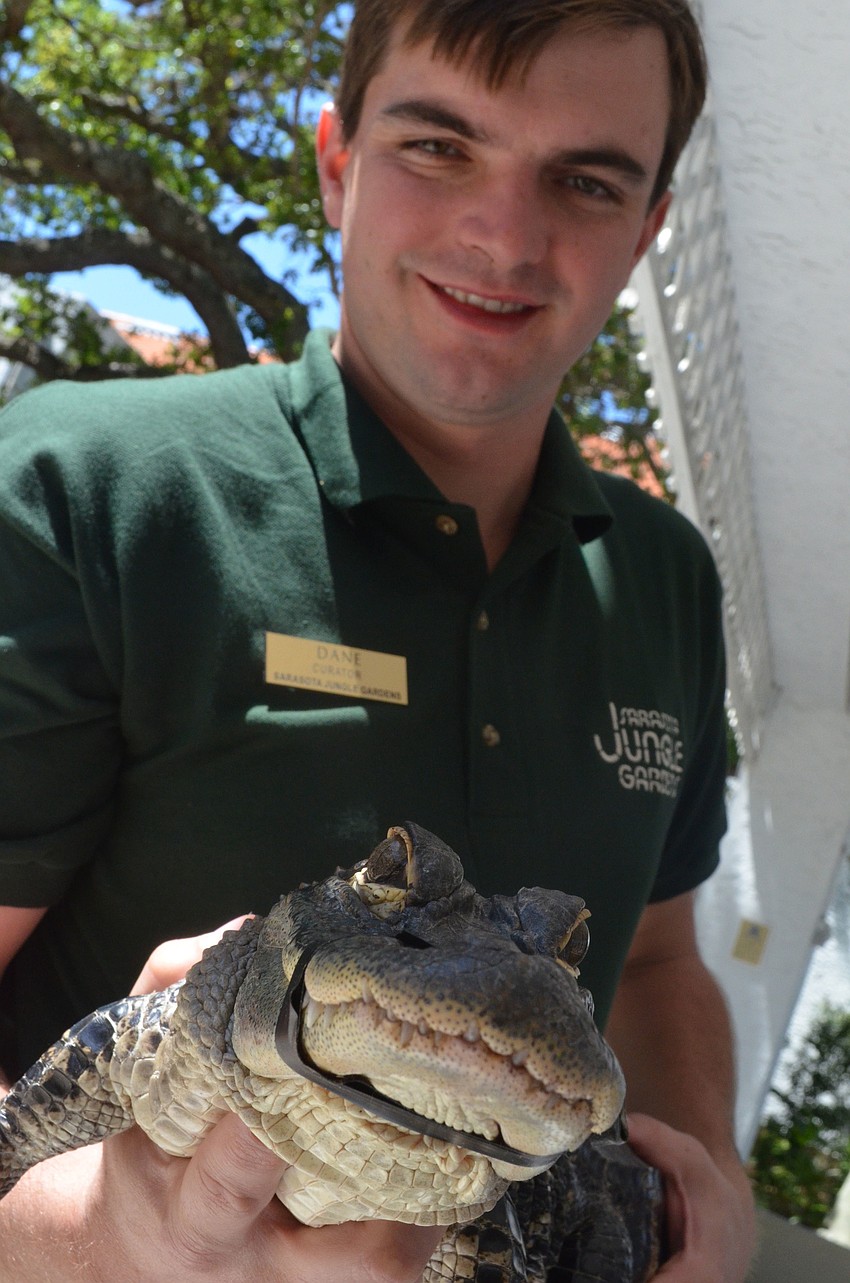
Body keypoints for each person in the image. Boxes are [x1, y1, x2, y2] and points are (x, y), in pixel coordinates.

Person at [0, 1, 756, 1279]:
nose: (505, 236)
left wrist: (708, 1189)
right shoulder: (85, 487)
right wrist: (95, 1235)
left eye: (583, 178)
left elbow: (666, 955)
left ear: (648, 230)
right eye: (439, 145)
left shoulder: (668, 575)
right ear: (336, 163)